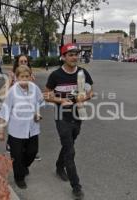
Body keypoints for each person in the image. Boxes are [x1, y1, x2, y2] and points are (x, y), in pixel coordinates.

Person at [44, 43, 94, 199]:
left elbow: (91, 90)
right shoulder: (56, 75)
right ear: (63, 57)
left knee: (69, 144)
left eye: (75, 54)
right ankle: (76, 187)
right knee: (70, 151)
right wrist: (60, 101)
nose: (74, 57)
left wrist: (84, 97)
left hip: (78, 115)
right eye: (70, 54)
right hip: (62, 117)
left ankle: (59, 166)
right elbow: (47, 95)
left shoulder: (82, 72)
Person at [0, 66, 44, 189]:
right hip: (16, 130)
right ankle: (19, 178)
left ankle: (23, 167)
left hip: (32, 129)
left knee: (32, 152)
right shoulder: (12, 91)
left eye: (27, 76)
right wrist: (1, 131)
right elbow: (5, 111)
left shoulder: (35, 88)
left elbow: (40, 101)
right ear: (17, 78)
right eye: (21, 77)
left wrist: (37, 113)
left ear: (30, 77)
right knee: (16, 156)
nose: (24, 79)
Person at [3, 54, 41, 161]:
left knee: (28, 129)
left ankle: (28, 151)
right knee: (15, 129)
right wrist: (11, 92)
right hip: (14, 104)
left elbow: (35, 95)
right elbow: (5, 91)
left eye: (25, 61)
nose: (24, 63)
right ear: (17, 63)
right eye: (21, 61)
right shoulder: (12, 75)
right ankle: (12, 145)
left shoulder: (30, 75)